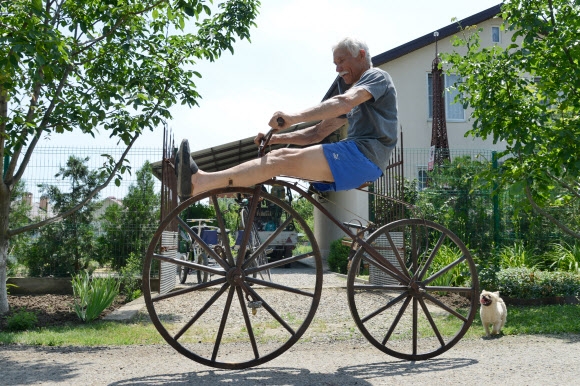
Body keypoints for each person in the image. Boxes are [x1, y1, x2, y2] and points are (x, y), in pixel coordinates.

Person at [176, 37, 398, 199]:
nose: (338, 69)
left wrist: (293, 117)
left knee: (278, 161)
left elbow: (344, 102)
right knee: (278, 155)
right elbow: (317, 133)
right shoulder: (356, 90)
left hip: (364, 157)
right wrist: (275, 139)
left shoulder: (376, 77)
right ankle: (205, 182)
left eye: (341, 61)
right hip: (357, 157)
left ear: (360, 55)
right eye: (335, 64)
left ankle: (201, 183)